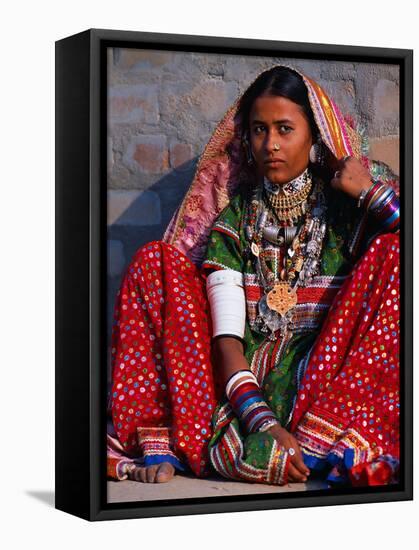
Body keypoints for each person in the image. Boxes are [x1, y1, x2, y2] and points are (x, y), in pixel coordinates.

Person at [107, 64, 400, 487]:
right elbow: (227, 340)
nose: (271, 144)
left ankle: (332, 442)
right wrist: (262, 422)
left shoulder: (347, 210)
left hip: (327, 382)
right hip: (242, 388)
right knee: (156, 261)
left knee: (395, 250)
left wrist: (369, 193)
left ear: (314, 135)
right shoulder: (237, 217)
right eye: (260, 130)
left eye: (285, 129)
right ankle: (173, 440)